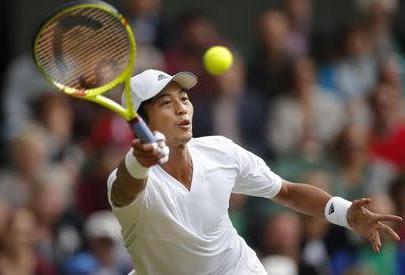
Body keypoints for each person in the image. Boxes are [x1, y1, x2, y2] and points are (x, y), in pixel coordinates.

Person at [107, 69, 402, 274]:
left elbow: (286, 191)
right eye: (166, 104)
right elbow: (124, 190)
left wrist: (346, 213)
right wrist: (138, 162)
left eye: (184, 99)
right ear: (140, 121)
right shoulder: (129, 178)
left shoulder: (220, 151)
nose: (182, 109)